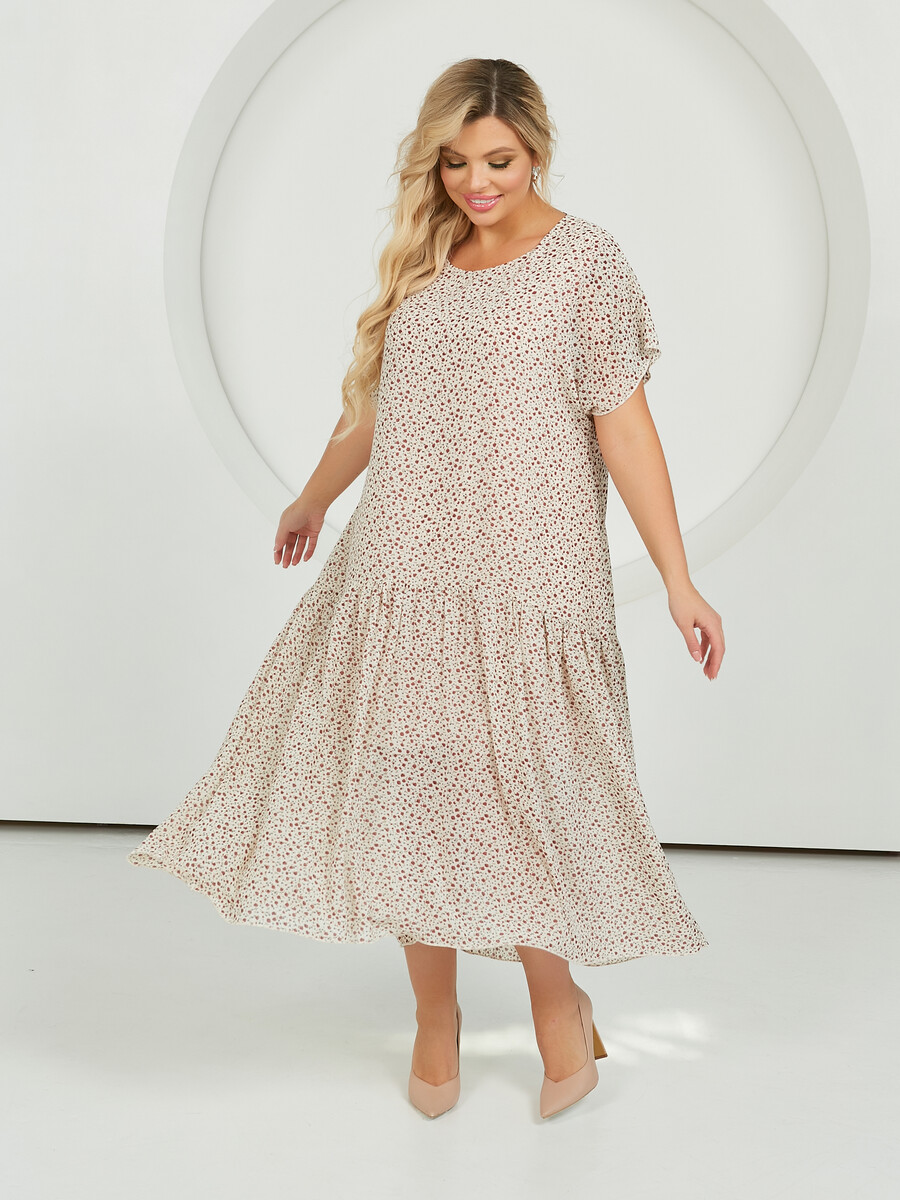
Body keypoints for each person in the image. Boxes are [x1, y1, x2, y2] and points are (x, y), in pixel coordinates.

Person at [128, 57, 725, 1121]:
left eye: (497, 160)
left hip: (530, 577)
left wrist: (680, 580)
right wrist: (312, 498)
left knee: (529, 797)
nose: (475, 183)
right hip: (404, 569)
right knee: (408, 792)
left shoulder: (585, 263)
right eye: (454, 163)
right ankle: (434, 1017)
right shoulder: (426, 260)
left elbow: (626, 429)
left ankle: (558, 1005)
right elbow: (373, 410)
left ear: (536, 149)